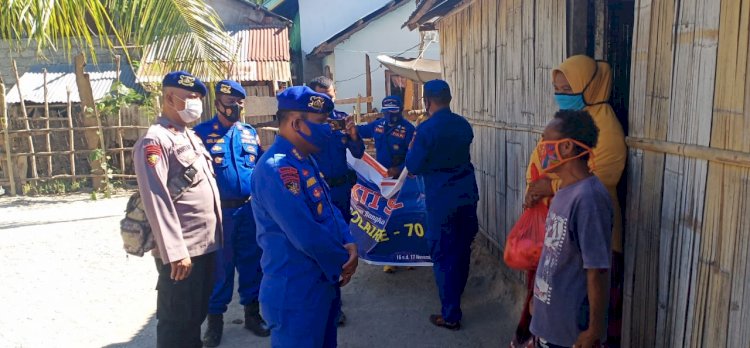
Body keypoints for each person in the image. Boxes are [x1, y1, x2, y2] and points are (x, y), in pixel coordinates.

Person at [524, 55, 626, 344]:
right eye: (557, 90)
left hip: (581, 247)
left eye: (567, 90)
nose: (561, 96)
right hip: (558, 256)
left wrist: (594, 330)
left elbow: (596, 271)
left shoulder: (604, 132)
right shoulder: (570, 123)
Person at [251, 86, 358, 347]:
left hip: (320, 284)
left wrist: (349, 240)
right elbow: (306, 234)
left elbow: (329, 208)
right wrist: (343, 260)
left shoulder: (304, 159)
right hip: (296, 292)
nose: (329, 128)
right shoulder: (276, 168)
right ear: (297, 123)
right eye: (321, 122)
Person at [133, 71, 222, 348]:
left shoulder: (190, 136)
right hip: (182, 253)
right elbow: (155, 198)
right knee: (176, 324)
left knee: (193, 318)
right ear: (170, 97)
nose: (196, 103)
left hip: (203, 247)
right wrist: (175, 251)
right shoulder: (155, 140)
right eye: (191, 97)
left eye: (198, 97)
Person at [193, 80, 269, 346]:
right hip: (219, 214)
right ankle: (214, 323)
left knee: (252, 263)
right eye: (229, 104)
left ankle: (252, 314)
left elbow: (260, 168)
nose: (234, 109)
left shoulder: (249, 133)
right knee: (220, 269)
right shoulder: (201, 133)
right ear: (216, 104)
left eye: (238, 104)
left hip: (249, 210)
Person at [530, 109, 613, 348]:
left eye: (545, 140)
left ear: (566, 147)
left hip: (570, 333)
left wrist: (594, 330)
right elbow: (555, 255)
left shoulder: (589, 198)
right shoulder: (564, 191)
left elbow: (596, 269)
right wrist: (539, 301)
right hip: (549, 323)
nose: (541, 148)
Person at [404, 79, 479, 330]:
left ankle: (450, 314)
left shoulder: (425, 130)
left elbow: (413, 166)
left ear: (427, 102)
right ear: (449, 98)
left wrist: (415, 150)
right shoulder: (463, 125)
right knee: (462, 249)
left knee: (443, 254)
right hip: (467, 195)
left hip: (441, 201)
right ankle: (456, 296)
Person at [308, 76, 364, 325]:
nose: (327, 101)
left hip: (341, 192)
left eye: (330, 96)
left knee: (341, 244)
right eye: (321, 97)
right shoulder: (307, 123)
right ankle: (324, 298)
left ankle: (335, 299)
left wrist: (352, 134)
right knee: (319, 245)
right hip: (317, 193)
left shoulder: (342, 119)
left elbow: (359, 153)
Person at [357, 95, 415, 273]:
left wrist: (400, 169)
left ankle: (409, 254)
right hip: (382, 181)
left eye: (393, 113)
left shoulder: (408, 130)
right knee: (386, 218)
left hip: (403, 181)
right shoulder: (378, 125)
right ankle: (390, 258)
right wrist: (346, 128)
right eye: (387, 113)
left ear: (400, 112)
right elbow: (360, 131)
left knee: (406, 217)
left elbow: (416, 157)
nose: (390, 116)